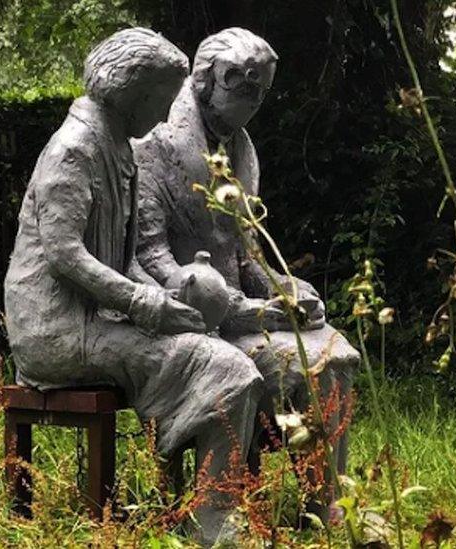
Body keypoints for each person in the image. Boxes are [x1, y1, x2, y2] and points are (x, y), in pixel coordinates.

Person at [4, 27, 264, 545]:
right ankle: (211, 522)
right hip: (54, 330)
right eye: (163, 98)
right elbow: (65, 254)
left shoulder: (118, 149)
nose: (169, 111)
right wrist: (145, 303)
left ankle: (206, 506)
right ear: (131, 92)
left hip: (99, 318)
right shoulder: (75, 149)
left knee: (218, 353)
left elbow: (126, 261)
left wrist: (167, 300)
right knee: (227, 368)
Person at [133, 27, 359, 519]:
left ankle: (325, 501)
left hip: (243, 312)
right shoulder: (155, 144)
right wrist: (244, 310)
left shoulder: (243, 149)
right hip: (191, 314)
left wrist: (285, 289)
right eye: (243, 86)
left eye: (263, 90)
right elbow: (150, 256)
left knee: (336, 355)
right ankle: (222, 507)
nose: (255, 101)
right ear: (204, 82)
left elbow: (248, 254)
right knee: (289, 360)